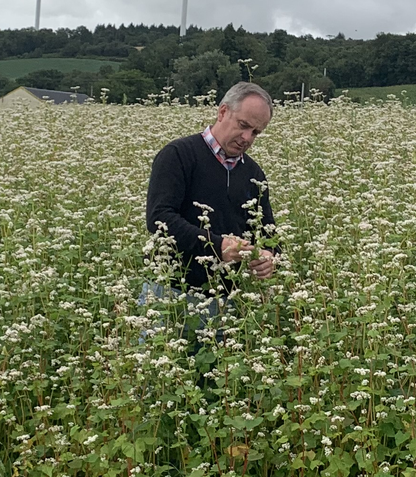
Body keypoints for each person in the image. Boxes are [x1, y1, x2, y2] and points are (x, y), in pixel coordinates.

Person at [145, 82, 277, 298]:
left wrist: (268, 257)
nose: (247, 138)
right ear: (223, 112)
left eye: (255, 133)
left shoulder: (254, 173)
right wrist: (219, 246)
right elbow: (159, 218)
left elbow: (268, 231)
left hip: (229, 299)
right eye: (243, 125)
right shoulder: (178, 155)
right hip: (169, 293)